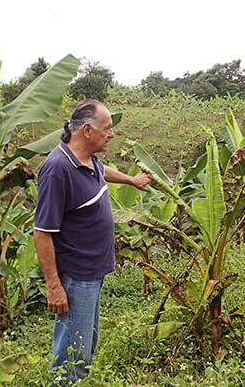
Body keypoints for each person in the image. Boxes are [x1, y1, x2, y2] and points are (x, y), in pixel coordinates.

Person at [33, 99, 151, 385]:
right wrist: (54, 287)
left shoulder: (87, 159)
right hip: (76, 275)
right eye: (107, 129)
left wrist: (132, 180)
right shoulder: (58, 168)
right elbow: (42, 232)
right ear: (87, 130)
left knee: (84, 346)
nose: (111, 134)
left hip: (92, 273)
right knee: (72, 355)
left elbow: (103, 170)